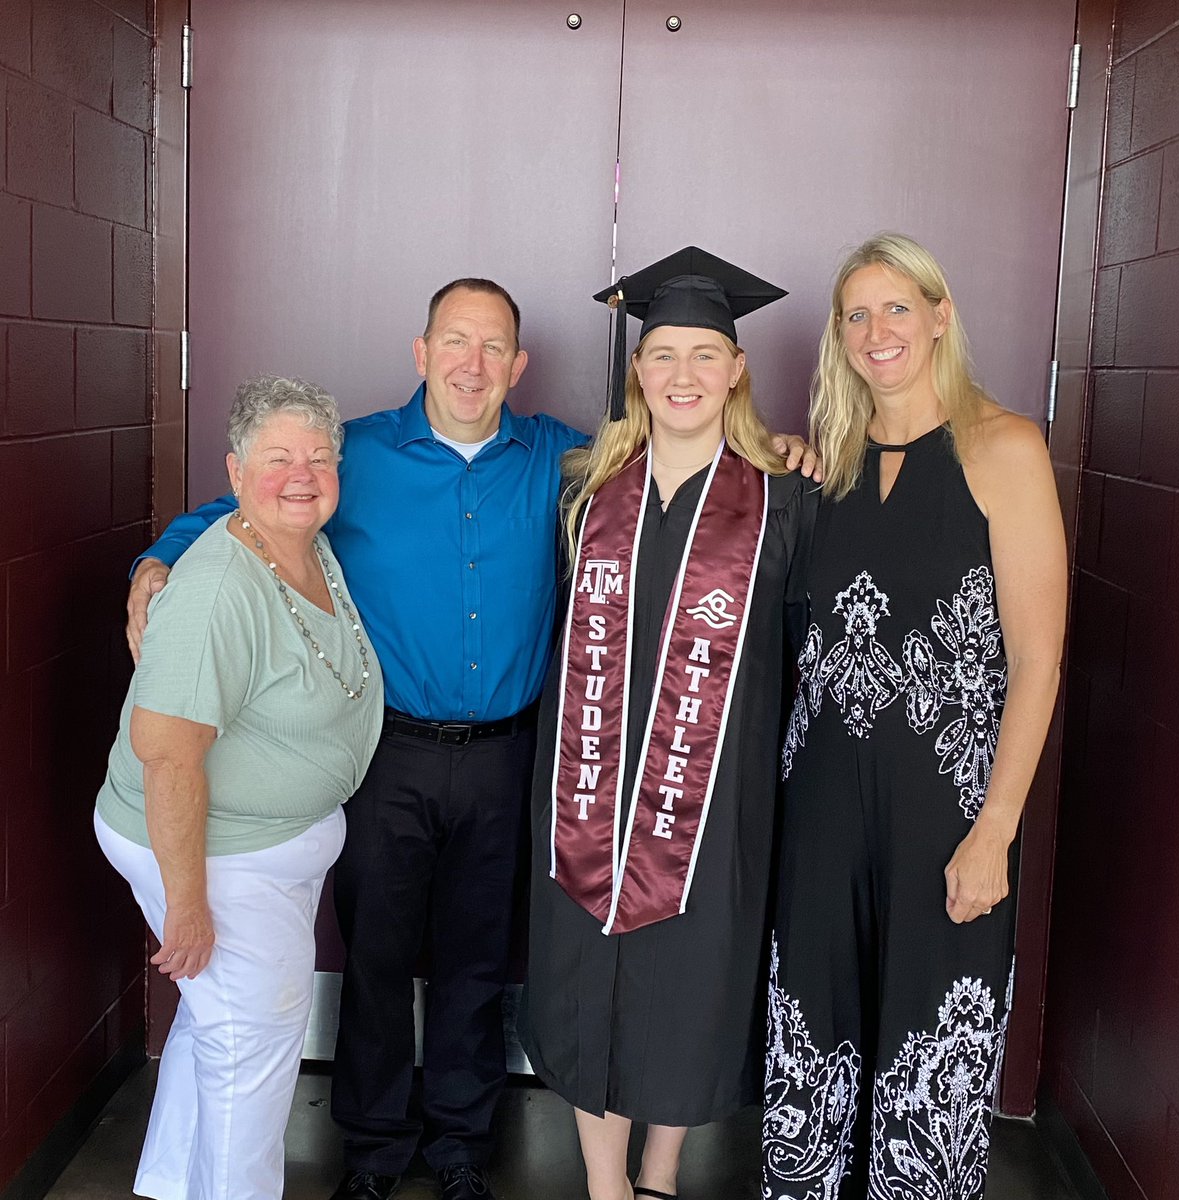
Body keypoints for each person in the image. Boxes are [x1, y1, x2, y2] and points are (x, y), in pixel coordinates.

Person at [126, 279, 817, 1200]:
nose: (473, 364)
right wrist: (158, 558)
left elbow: (674, 455)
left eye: (494, 348)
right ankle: (372, 1152)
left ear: (518, 366)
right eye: (456, 342)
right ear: (421, 352)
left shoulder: (565, 462)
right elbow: (243, 506)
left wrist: (773, 447)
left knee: (477, 964)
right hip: (390, 755)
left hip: (511, 757)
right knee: (373, 958)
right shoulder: (357, 454)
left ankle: (460, 1148)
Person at [762, 233, 1066, 1199]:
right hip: (817, 809)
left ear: (939, 316)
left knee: (932, 1053)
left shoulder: (1002, 446)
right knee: (813, 1040)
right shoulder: (828, 466)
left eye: (897, 307)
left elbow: (1037, 658)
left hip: (948, 807)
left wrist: (997, 830)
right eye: (856, 313)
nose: (876, 330)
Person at [519, 248, 816, 1200]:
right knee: (586, 984)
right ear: (636, 374)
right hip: (582, 793)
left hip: (714, 806)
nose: (680, 376)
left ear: (734, 370)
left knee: (689, 987)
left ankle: (659, 1176)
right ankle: (605, 1187)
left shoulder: (788, 501)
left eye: (702, 356)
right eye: (661, 356)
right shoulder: (581, 494)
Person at [95, 376, 383, 1200]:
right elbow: (168, 757)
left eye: (319, 457)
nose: (302, 474)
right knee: (249, 1053)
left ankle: (167, 1186)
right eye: (278, 458)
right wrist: (187, 904)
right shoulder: (218, 586)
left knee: (218, 1027)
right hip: (213, 855)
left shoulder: (304, 542)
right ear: (234, 470)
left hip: (266, 850)